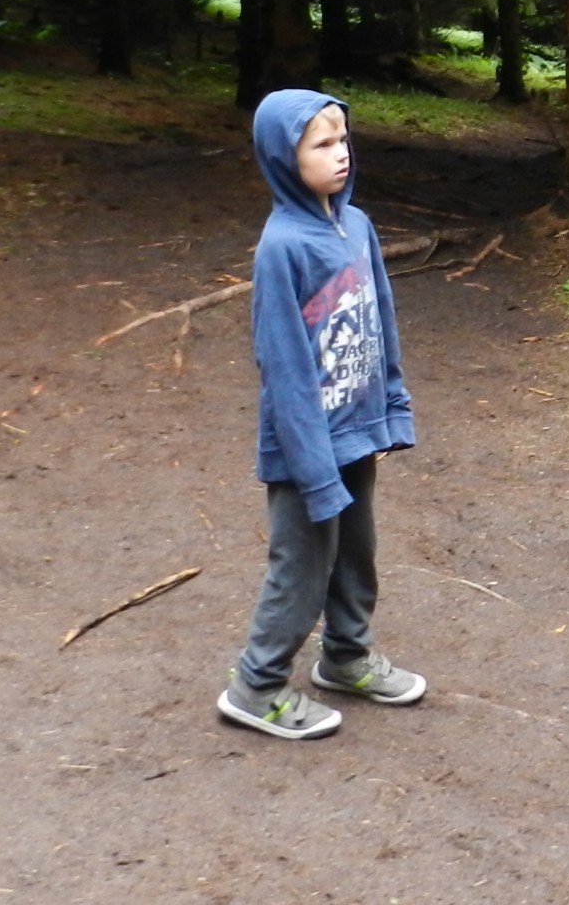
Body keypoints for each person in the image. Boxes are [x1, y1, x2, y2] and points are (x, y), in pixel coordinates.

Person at [216, 89, 427, 740]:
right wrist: (311, 470)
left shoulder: (356, 226)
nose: (340, 155)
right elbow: (283, 369)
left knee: (355, 553)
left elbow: (380, 320)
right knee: (303, 566)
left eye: (343, 140)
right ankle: (256, 686)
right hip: (306, 444)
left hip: (355, 430)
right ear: (284, 157)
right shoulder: (283, 248)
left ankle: (346, 656)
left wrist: (391, 408)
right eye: (321, 145)